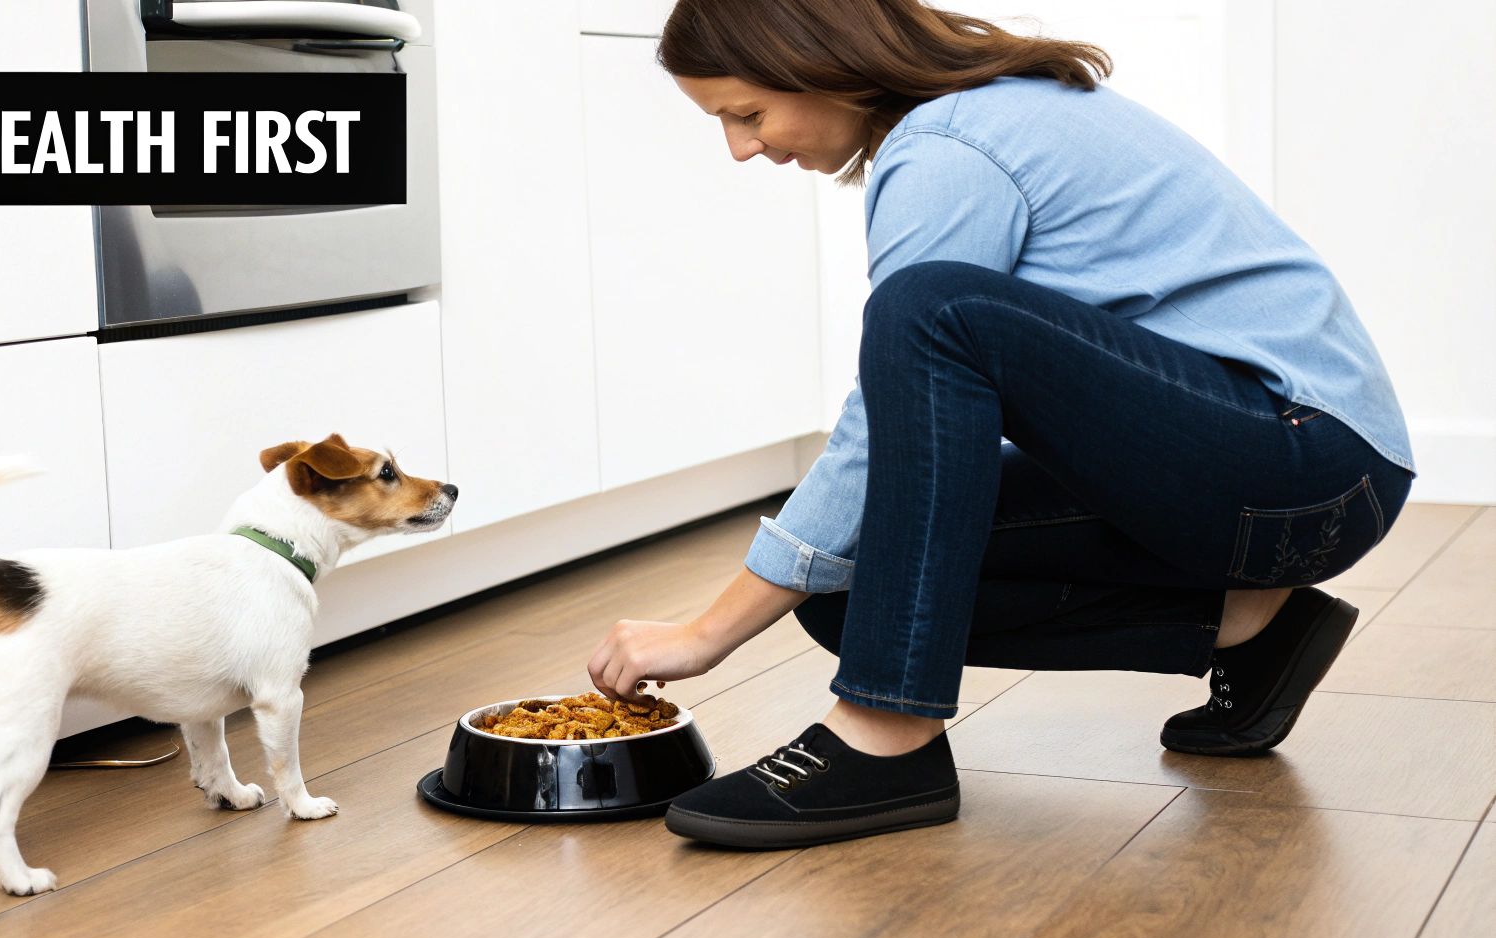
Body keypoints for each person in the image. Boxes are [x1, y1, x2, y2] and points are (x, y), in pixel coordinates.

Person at [585, 0, 1414, 850]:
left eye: (747, 114)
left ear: (815, 60)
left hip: (1306, 463)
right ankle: (1255, 627)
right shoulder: (969, 119)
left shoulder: (950, 146)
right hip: (1276, 478)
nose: (740, 147)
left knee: (929, 309)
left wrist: (704, 633)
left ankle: (883, 738)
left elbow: (882, 424)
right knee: (853, 592)